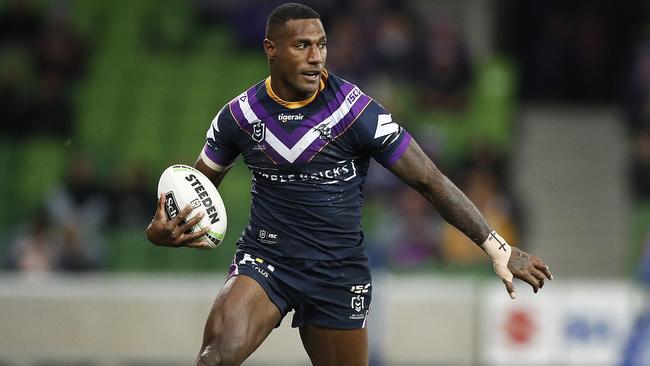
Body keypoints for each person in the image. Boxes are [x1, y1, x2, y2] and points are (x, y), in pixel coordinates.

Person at [145, 3, 553, 365]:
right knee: (214, 359)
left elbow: (430, 180)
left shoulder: (355, 111)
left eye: (321, 45)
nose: (315, 58)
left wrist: (497, 247)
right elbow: (195, 188)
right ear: (271, 50)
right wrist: (160, 228)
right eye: (302, 46)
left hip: (337, 273)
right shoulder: (238, 117)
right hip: (267, 260)